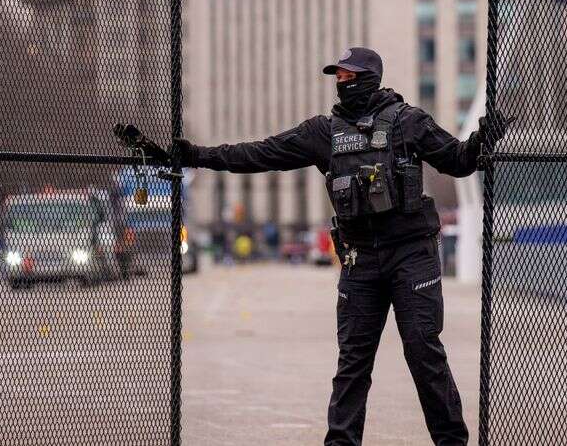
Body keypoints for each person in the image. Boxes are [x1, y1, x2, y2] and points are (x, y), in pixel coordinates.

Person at [173, 47, 511, 446]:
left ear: (369, 78)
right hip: (360, 259)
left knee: (424, 354)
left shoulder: (409, 122)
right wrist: (198, 156)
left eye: (348, 76)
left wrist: (482, 139)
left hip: (412, 256)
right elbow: (261, 153)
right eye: (337, 77)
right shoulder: (323, 132)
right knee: (352, 365)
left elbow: (457, 161)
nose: (340, 83)